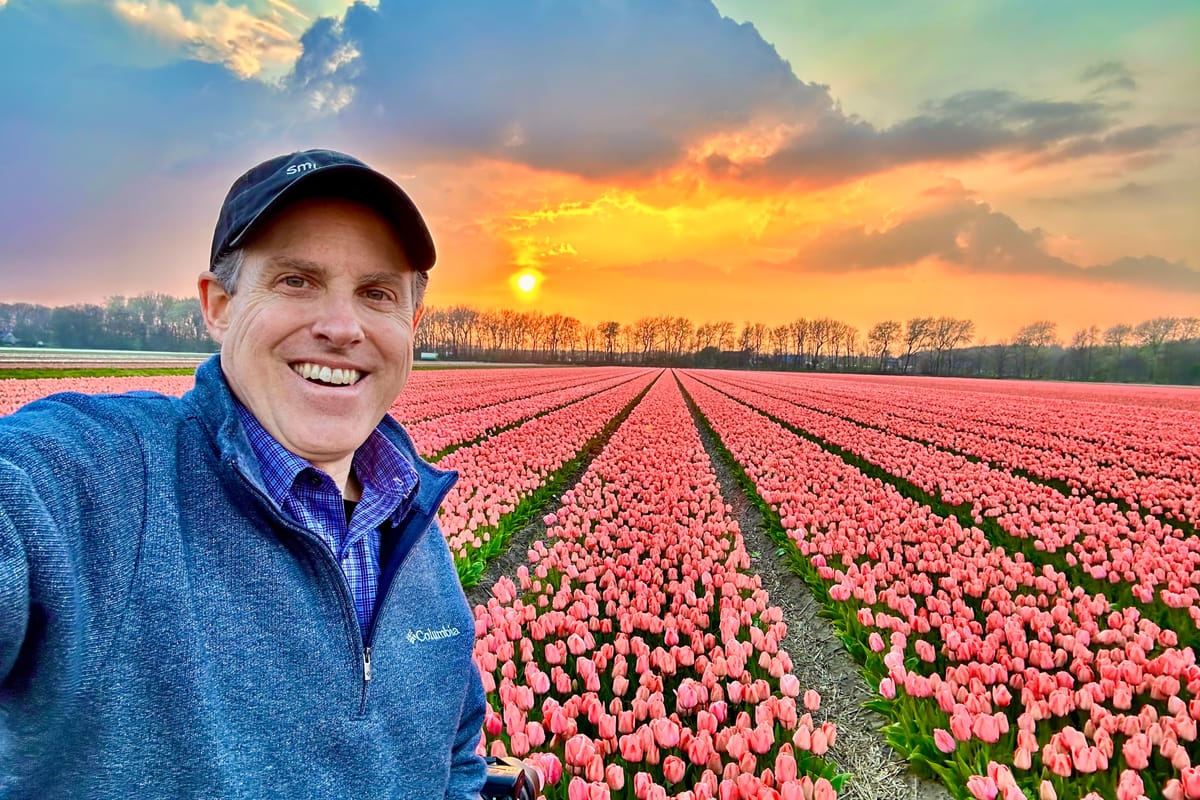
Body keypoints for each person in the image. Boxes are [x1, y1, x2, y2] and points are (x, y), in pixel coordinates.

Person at [0, 149, 487, 798]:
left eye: (376, 294)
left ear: (412, 324)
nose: (342, 328)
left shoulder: (414, 534)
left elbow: (452, 756)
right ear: (219, 305)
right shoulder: (102, 484)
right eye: (296, 281)